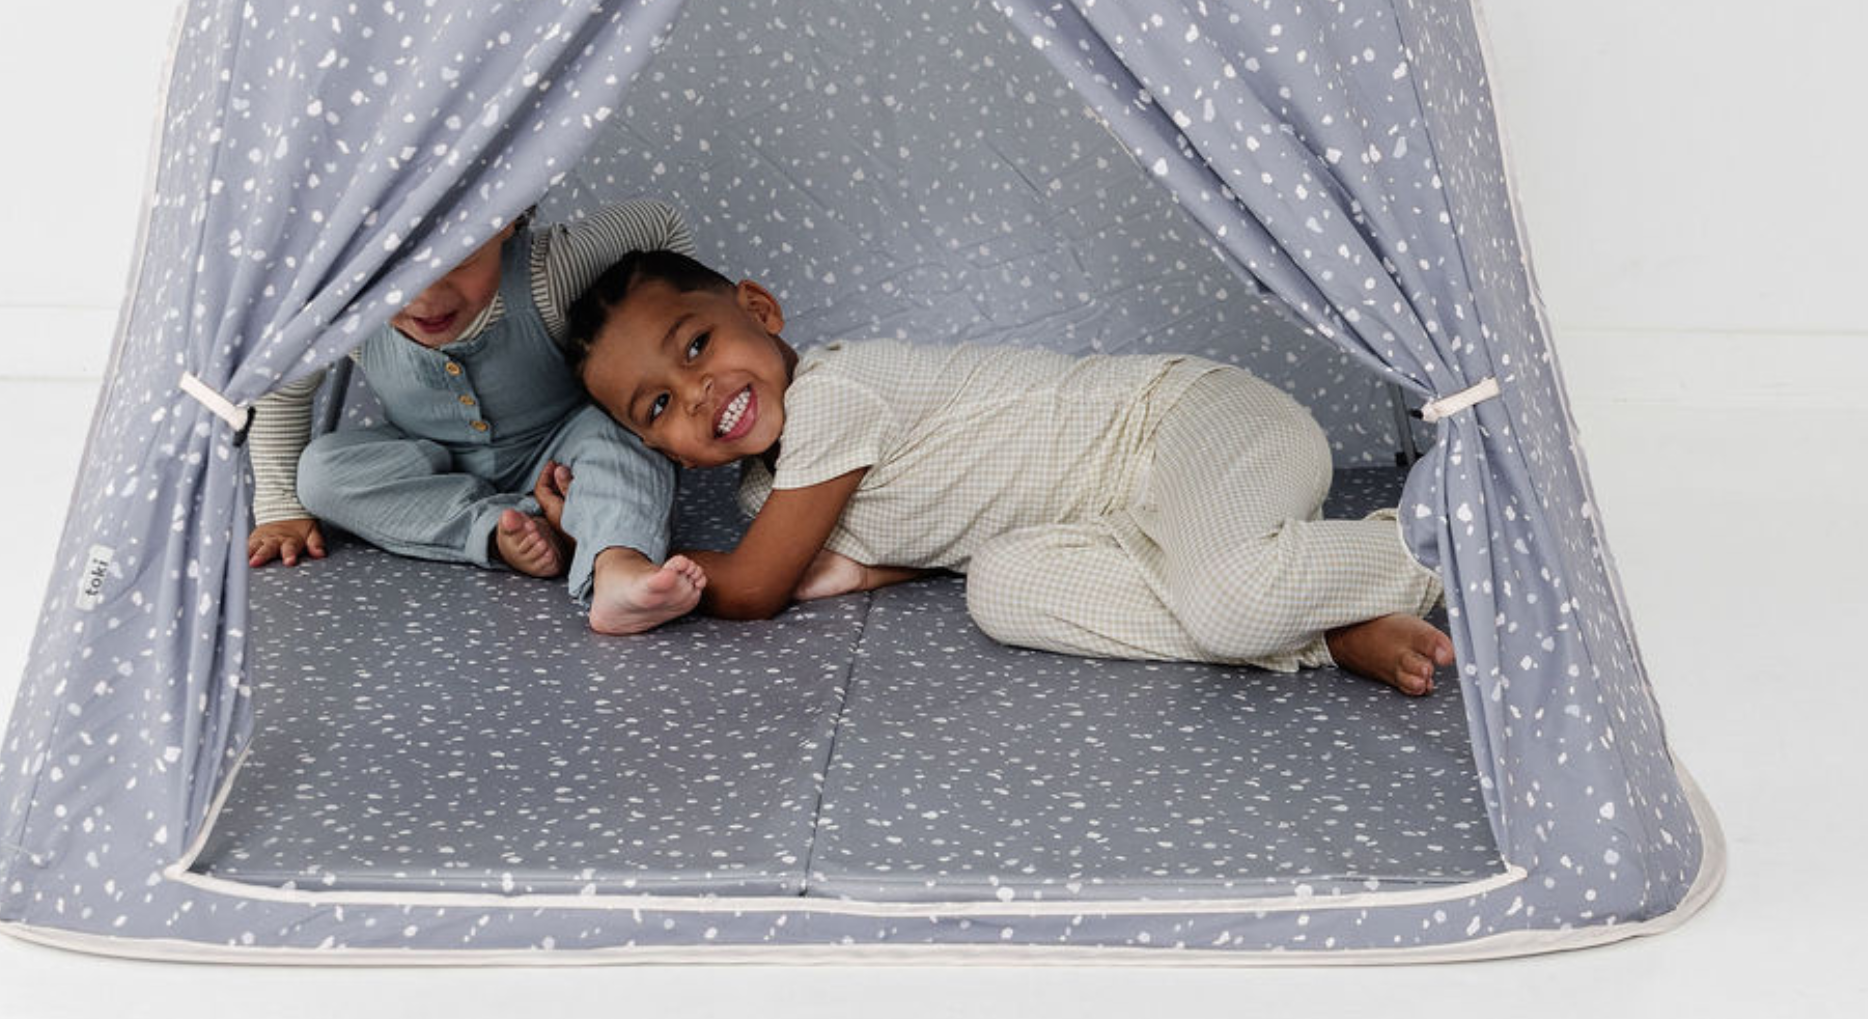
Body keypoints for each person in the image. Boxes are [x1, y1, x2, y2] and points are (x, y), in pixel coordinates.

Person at [565, 249, 1454, 693]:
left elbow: (754, 587)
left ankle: (1438, 541)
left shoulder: (837, 394)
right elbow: (959, 508)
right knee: (999, 589)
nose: (698, 392)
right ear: (660, 451)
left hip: (1186, 423)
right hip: (1127, 521)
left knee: (1229, 597)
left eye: (697, 344)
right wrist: (869, 568)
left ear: (757, 309)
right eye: (656, 407)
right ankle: (1326, 628)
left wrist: (627, 567)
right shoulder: (774, 484)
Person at [246, 201, 706, 636]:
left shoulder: (550, 271)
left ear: (506, 217)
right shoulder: (347, 304)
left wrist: (668, 354)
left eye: (458, 260)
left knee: (625, 438)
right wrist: (280, 508)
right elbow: (281, 383)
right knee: (320, 473)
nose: (426, 299)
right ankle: (495, 530)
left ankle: (617, 564)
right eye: (394, 275)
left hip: (565, 449)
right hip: (435, 463)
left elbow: (658, 224)